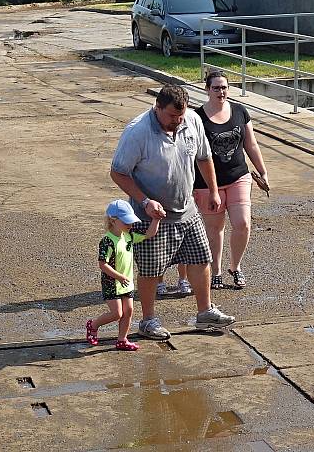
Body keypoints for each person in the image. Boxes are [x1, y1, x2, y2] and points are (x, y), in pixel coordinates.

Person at [110, 84, 236, 340]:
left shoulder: (191, 120)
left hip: (186, 208)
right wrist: (144, 201)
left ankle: (205, 312)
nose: (177, 122)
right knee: (151, 270)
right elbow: (118, 172)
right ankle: (147, 321)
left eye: (181, 116)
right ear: (157, 107)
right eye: (171, 117)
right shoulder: (138, 132)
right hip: (150, 214)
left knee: (201, 258)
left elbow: (203, 157)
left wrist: (212, 190)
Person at [194, 70, 269, 289]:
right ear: (207, 89)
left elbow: (251, 144)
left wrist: (262, 172)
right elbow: (191, 153)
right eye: (216, 87)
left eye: (224, 87)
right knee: (215, 229)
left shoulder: (239, 111)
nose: (221, 91)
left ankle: (235, 267)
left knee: (243, 223)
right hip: (208, 183)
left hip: (239, 176)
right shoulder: (197, 117)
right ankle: (215, 271)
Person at [86, 200, 160, 351]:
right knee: (117, 313)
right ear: (113, 221)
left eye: (131, 221)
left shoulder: (129, 236)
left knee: (129, 311)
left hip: (127, 282)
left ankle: (122, 339)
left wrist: (156, 219)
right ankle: (93, 325)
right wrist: (118, 276)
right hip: (112, 282)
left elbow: (149, 234)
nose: (130, 224)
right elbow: (103, 264)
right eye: (126, 221)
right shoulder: (107, 241)